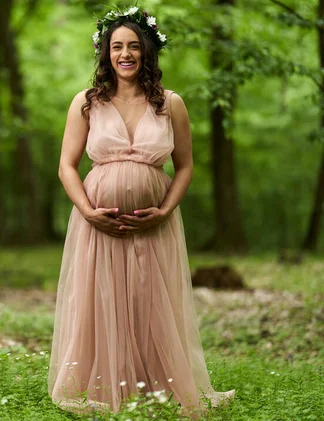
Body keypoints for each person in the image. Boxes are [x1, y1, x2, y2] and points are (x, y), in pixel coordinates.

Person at [47, 6, 235, 417]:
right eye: (117, 46)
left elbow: (184, 166)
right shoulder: (86, 102)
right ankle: (100, 384)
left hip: (154, 223)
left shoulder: (171, 103)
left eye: (133, 46)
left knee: (150, 299)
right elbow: (66, 166)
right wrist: (87, 211)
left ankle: (156, 385)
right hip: (98, 223)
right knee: (101, 299)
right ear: (105, 53)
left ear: (147, 51)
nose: (125, 54)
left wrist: (166, 210)